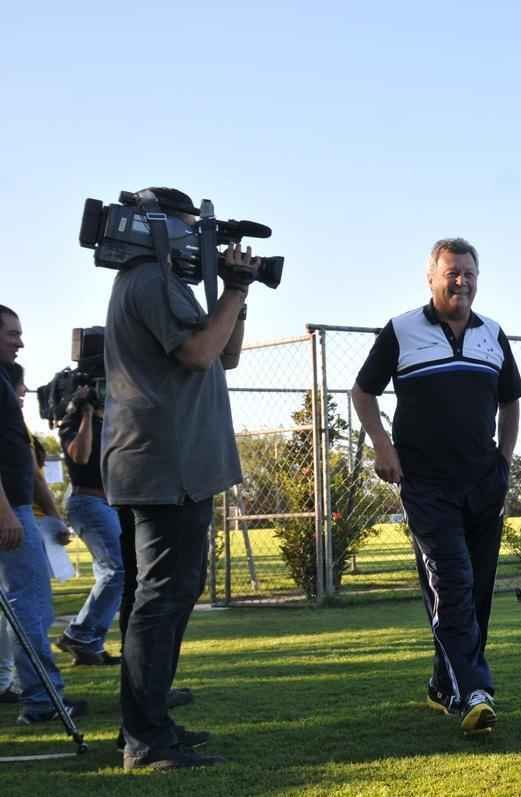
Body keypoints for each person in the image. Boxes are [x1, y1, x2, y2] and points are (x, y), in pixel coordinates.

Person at [102, 186, 258, 771]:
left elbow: (225, 353)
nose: (200, 240)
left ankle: (148, 726)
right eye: (191, 228)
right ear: (158, 227)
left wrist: (235, 295)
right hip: (165, 466)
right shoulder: (149, 279)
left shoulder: (159, 282)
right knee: (160, 602)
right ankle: (144, 741)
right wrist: (236, 286)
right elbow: (196, 354)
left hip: (176, 466)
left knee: (168, 598)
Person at [351, 238, 521, 736]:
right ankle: (473, 689)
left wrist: (505, 461)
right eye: (452, 272)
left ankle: (442, 684)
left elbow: (511, 401)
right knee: (451, 581)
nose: (461, 280)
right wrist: (384, 448)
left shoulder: (493, 334)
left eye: (469, 272)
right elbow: (363, 392)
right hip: (426, 484)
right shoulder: (401, 330)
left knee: (479, 590)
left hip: (482, 482)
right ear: (431, 277)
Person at [0, 307, 87, 724]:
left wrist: (49, 512)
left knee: (32, 604)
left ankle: (41, 696)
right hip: (8, 512)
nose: (20, 341)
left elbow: (23, 459)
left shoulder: (5, 381)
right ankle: (40, 700)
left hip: (18, 508)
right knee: (30, 605)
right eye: (13, 333)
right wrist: (5, 514)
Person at [56, 385, 124, 665]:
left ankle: (90, 644)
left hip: (109, 502)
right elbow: (81, 456)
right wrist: (84, 414)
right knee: (116, 571)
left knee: (112, 573)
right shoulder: (72, 423)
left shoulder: (108, 421)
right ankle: (80, 633)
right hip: (88, 502)